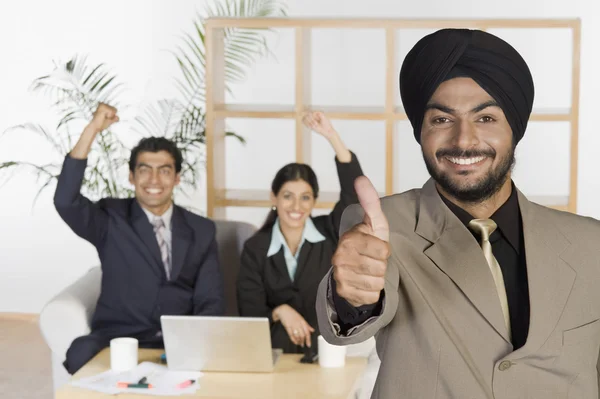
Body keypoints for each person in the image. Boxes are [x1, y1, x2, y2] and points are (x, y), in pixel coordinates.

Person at [316, 28, 600, 398]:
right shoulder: (381, 226)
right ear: (421, 129)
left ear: (515, 128)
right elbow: (354, 309)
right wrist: (352, 297)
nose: (464, 140)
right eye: (442, 120)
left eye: (485, 119)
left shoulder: (590, 243)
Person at [55, 103, 225, 374]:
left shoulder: (201, 230)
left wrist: (194, 342)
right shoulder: (110, 218)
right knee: (79, 353)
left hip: (178, 338)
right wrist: (92, 129)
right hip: (118, 336)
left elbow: (211, 299)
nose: (154, 179)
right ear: (131, 177)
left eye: (165, 170)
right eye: (145, 169)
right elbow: (66, 200)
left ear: (177, 178)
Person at [237, 111, 364, 353]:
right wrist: (280, 311)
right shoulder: (255, 248)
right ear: (274, 197)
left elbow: (354, 191)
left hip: (327, 353)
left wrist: (331, 135)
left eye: (305, 197)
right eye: (288, 196)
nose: (296, 206)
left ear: (314, 201)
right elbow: (249, 313)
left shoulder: (330, 232)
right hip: (275, 355)